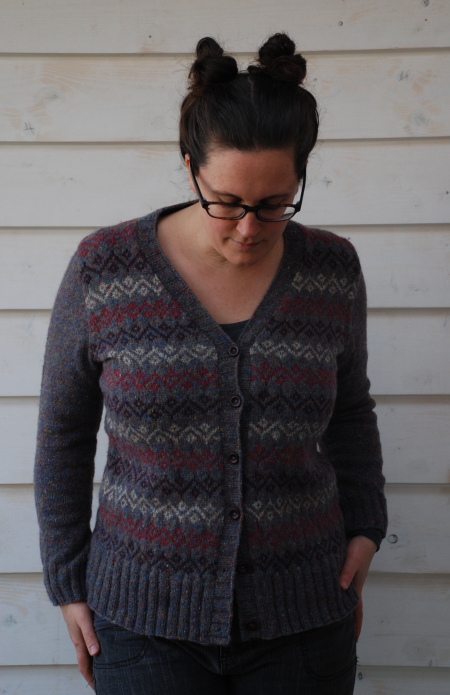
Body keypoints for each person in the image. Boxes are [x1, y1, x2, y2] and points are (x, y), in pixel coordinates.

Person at [34, 33, 387, 695]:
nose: (249, 228)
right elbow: (62, 431)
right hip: (141, 621)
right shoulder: (104, 269)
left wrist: (367, 528)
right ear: (190, 166)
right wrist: (67, 580)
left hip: (304, 614)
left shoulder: (332, 269)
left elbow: (350, 410)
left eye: (275, 204)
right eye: (226, 201)